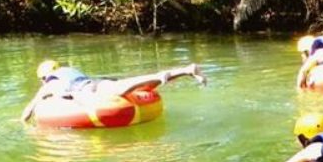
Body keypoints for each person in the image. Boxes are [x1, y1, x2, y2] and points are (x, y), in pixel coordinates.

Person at [21, 59, 206, 123]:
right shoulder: (69, 71)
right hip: (95, 83)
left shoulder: (49, 85)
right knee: (138, 86)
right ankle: (185, 70)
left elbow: (30, 109)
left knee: (122, 89)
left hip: (89, 93)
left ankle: (168, 74)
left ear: (44, 77)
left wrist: (22, 122)